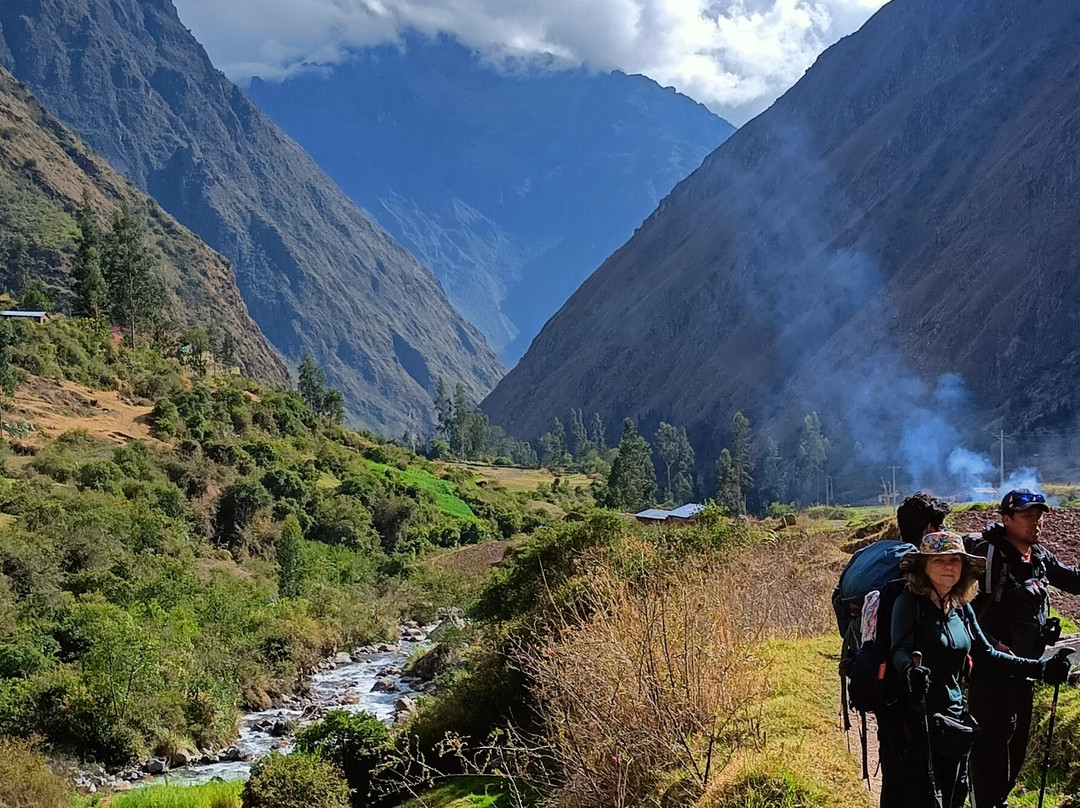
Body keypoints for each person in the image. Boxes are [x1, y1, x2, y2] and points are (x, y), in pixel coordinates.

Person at [879, 531, 1070, 808]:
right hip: (915, 722)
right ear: (923, 566)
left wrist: (1042, 669)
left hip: (954, 719)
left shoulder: (961, 608)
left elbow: (988, 656)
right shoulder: (908, 603)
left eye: (955, 560)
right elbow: (899, 650)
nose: (949, 567)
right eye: (939, 560)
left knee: (953, 797)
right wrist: (910, 672)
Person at [965, 488, 1080, 808]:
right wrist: (992, 644)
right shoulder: (989, 556)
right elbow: (964, 608)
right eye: (1028, 516)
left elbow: (1071, 580)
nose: (1036, 522)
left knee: (1015, 751)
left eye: (1039, 515)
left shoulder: (1038, 556)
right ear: (1006, 519)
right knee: (990, 751)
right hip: (993, 672)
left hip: (1029, 671)